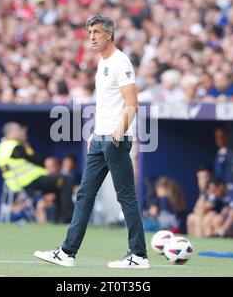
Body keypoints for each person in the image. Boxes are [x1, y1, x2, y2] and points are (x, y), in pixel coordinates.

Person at [34, 15, 149, 269]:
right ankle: (67, 252)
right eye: (90, 32)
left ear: (109, 34)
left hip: (114, 140)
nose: (92, 37)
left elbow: (132, 104)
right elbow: (106, 104)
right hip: (99, 139)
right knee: (84, 195)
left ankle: (139, 255)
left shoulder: (121, 61)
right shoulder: (102, 62)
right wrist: (95, 133)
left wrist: (116, 135)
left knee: (125, 197)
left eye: (97, 32)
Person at [0, 122, 74, 224]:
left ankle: (59, 220)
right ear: (11, 132)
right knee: (65, 179)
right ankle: (67, 219)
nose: (21, 131)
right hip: (30, 181)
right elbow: (34, 159)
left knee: (59, 184)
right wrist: (46, 162)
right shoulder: (14, 147)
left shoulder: (2, 147)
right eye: (19, 130)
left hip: (14, 183)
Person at [187, 165, 213, 237]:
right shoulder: (202, 193)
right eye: (200, 178)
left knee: (198, 218)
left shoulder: (213, 190)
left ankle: (201, 243)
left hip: (215, 215)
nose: (202, 181)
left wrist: (204, 191)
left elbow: (203, 210)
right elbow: (196, 209)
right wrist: (203, 192)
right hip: (203, 215)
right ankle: (191, 242)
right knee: (191, 217)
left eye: (204, 178)